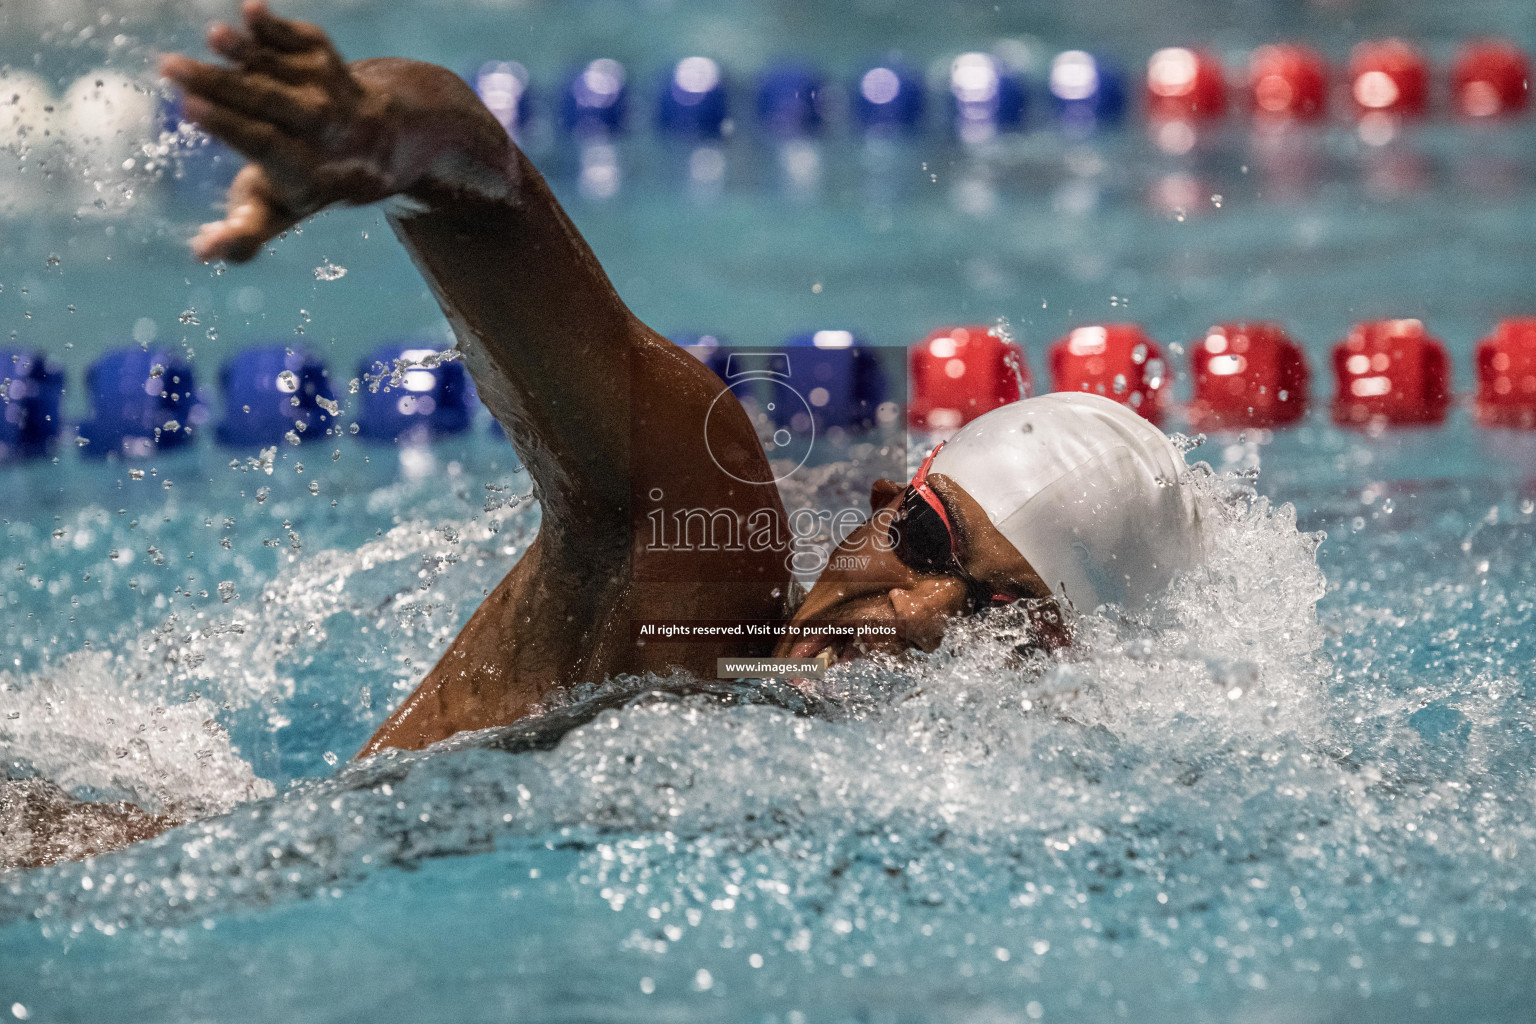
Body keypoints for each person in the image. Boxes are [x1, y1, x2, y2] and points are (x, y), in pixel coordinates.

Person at [4, 5, 1205, 868]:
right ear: (887, 499)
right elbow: (489, 195)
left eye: (1012, 617)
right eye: (932, 540)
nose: (929, 614)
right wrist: (382, 132)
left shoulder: (990, 848)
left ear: (1069, 682)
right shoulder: (697, 567)